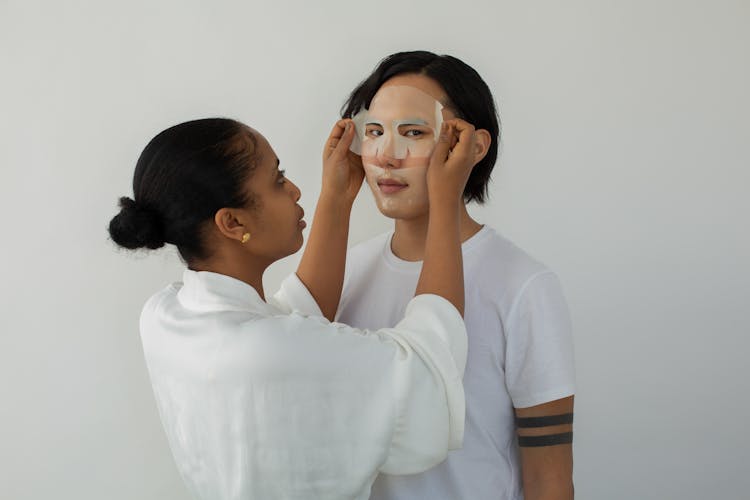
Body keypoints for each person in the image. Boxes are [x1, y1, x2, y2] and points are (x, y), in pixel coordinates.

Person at [108, 116, 478, 499]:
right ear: (232, 222)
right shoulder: (263, 350)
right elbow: (427, 369)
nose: (296, 190)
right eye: (278, 180)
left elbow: (291, 322)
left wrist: (336, 197)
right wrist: (446, 200)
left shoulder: (163, 314)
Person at [338, 51, 576, 500]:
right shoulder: (348, 273)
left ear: (475, 146)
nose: (388, 156)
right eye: (374, 133)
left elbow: (550, 478)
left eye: (413, 132)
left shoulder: (525, 286)